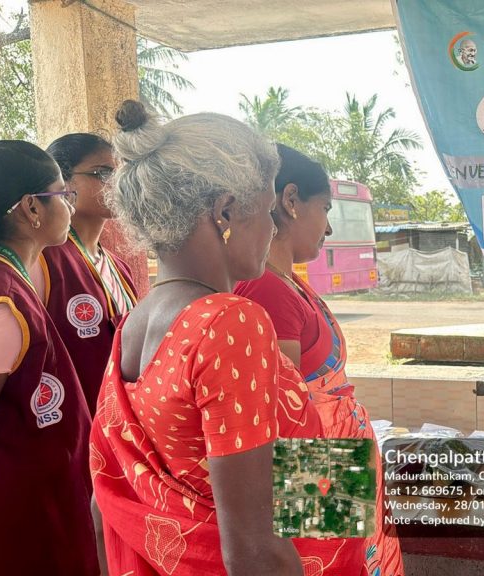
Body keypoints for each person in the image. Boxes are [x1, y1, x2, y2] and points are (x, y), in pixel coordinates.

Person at [89, 100, 348, 575]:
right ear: (225, 211)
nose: (273, 229)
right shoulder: (229, 322)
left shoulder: (135, 323)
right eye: (268, 212)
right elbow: (254, 550)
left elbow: (102, 500)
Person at [234, 143, 404, 576]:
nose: (328, 227)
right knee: (332, 565)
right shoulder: (267, 291)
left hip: (331, 458)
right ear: (290, 200)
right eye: (325, 208)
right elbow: (284, 416)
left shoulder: (287, 282)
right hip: (314, 466)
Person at [0, 140, 98, 575]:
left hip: (47, 501)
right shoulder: (1, 298)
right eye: (63, 195)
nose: (69, 207)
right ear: (32, 208)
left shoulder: (11, 277)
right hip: (22, 518)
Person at [44, 133, 139, 415]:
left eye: (120, 174)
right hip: (68, 421)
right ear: (63, 183)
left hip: (116, 421)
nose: (117, 183)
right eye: (103, 173)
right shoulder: (44, 259)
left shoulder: (118, 267)